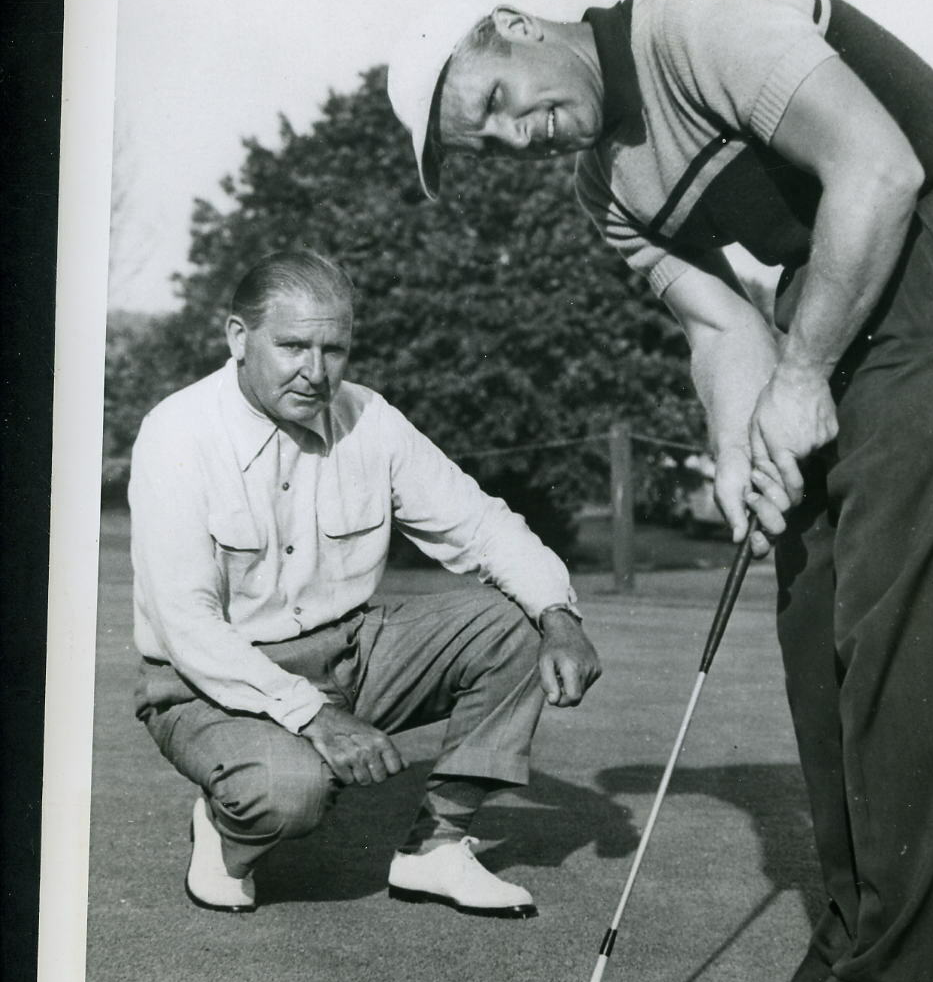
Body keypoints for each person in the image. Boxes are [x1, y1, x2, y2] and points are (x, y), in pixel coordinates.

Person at [386, 0, 933, 982]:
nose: (514, 139)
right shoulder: (606, 190)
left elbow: (878, 171)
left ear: (513, 27)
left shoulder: (697, 21)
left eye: (494, 104)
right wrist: (744, 448)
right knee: (815, 626)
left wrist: (801, 382)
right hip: (833, 297)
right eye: (484, 146)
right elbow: (718, 328)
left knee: (902, 629)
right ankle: (847, 961)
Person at [130, 249, 601, 919]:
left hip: (354, 650)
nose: (315, 372)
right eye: (292, 345)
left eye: (335, 349)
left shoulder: (369, 416)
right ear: (239, 337)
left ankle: (437, 846)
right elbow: (187, 624)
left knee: (519, 622)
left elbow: (479, 524)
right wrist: (317, 716)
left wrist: (557, 611)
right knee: (287, 790)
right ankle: (224, 825)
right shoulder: (176, 432)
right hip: (207, 683)